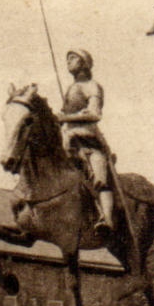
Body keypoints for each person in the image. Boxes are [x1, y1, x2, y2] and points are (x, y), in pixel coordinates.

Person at [59, 49, 117, 234]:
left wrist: (66, 117)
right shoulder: (71, 88)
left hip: (88, 141)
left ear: (84, 63)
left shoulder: (92, 86)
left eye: (73, 58)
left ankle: (107, 219)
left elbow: (94, 114)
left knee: (99, 180)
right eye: (67, 59)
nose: (68, 61)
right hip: (67, 139)